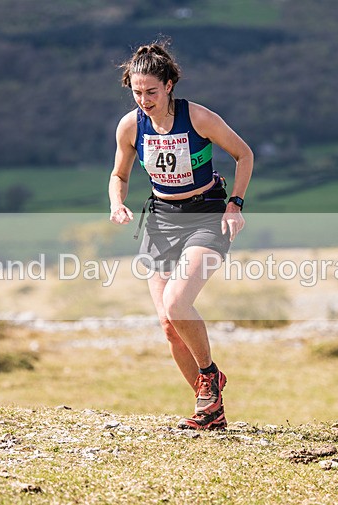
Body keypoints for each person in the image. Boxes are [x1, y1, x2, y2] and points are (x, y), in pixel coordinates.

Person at [108, 42, 253, 430]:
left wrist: (235, 204)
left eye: (151, 92)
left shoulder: (199, 118)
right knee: (169, 326)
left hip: (206, 217)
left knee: (176, 303)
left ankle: (210, 373)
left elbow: (244, 155)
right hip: (160, 221)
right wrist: (116, 203)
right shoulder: (130, 125)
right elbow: (119, 174)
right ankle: (210, 408)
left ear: (169, 85)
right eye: (137, 93)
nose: (144, 101)